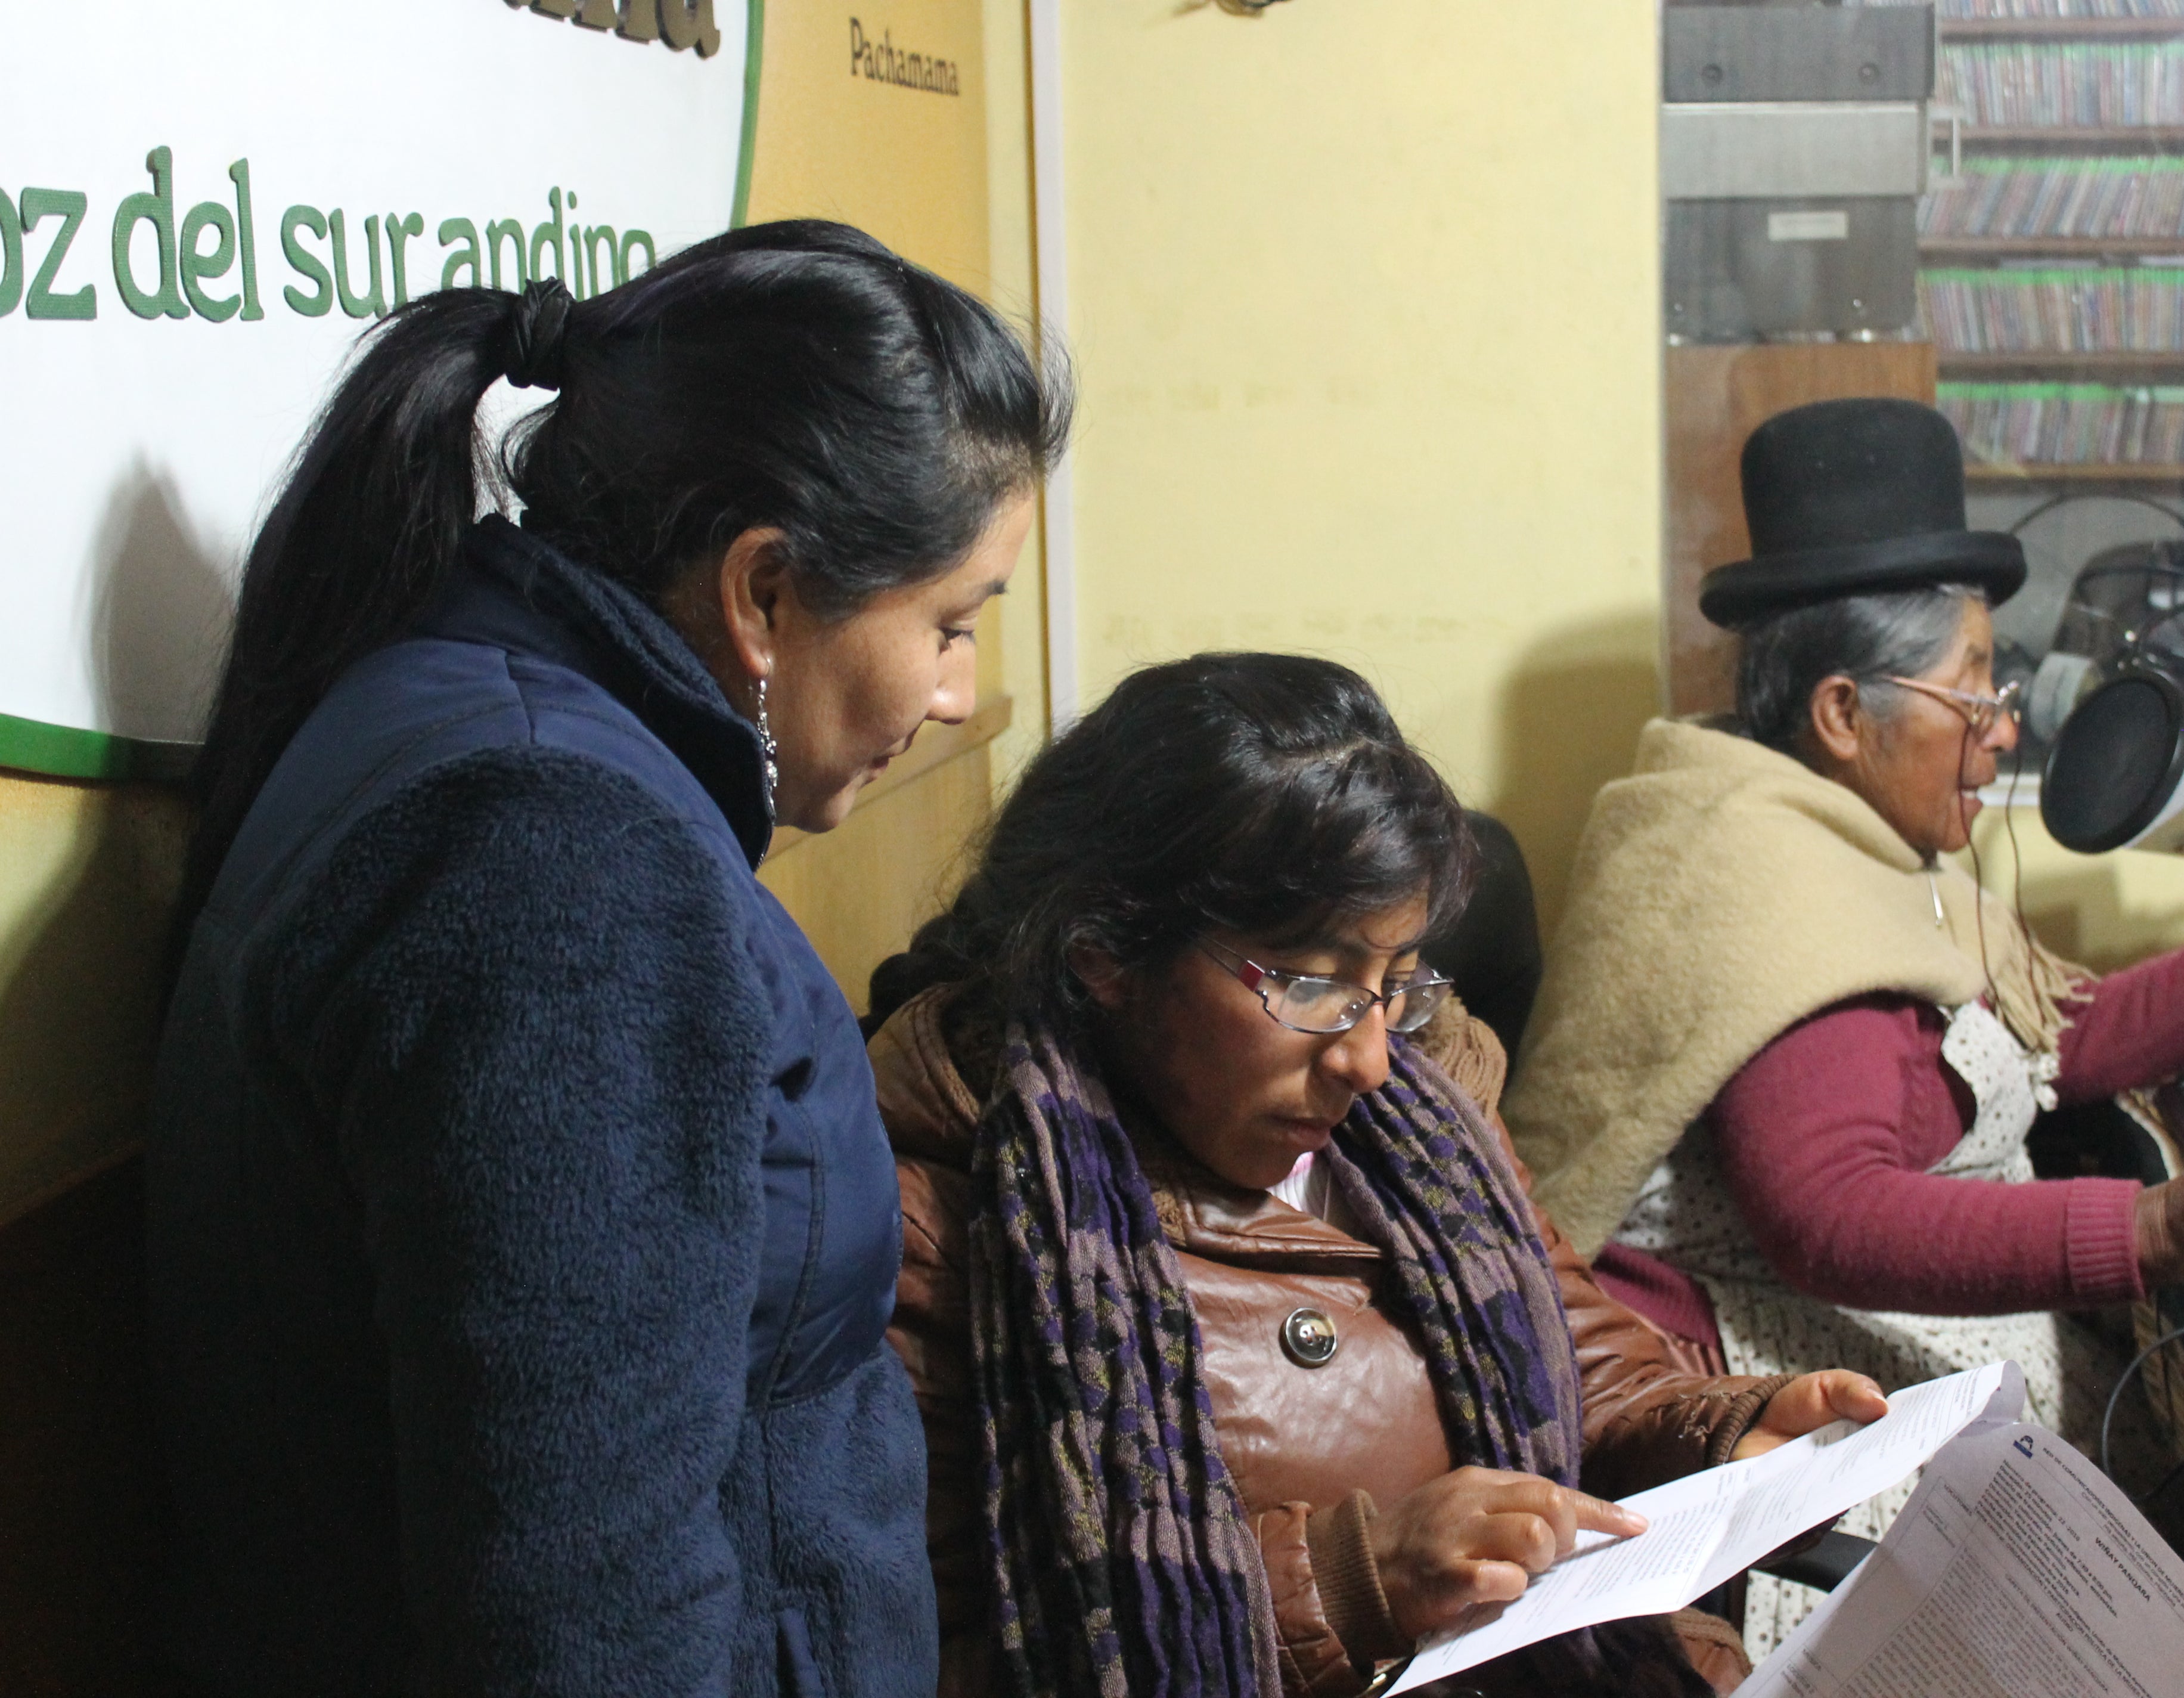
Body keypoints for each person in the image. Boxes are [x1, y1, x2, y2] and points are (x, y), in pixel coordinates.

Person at [148, 223, 1069, 1697]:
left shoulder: (495, 738)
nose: (963, 693)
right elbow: (581, 1608)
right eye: (949, 624)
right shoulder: (557, 863)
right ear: (765, 590)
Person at [1499, 399, 2184, 1649]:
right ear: (1847, 714)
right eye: (1973, 690)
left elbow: (2056, 1033)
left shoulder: (1847, 839)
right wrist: (2149, 1224)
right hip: (1766, 1387)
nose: (2005, 728)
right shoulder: (1765, 879)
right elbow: (1829, 1212)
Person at [864, 652, 1888, 1698]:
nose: (1368, 1057)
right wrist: (1356, 1580)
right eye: (1313, 985)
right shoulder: (948, 1218)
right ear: (1105, 955)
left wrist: (1723, 1435)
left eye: (1395, 984)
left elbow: (1588, 1372)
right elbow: (953, 1649)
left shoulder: (1428, 1117)